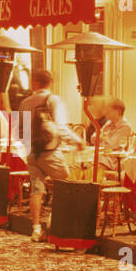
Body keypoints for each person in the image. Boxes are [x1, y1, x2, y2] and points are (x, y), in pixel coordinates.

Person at [20, 67, 85, 242]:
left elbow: (20, 129)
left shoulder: (25, 102)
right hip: (49, 151)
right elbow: (60, 126)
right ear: (49, 83)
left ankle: (36, 229)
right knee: (66, 182)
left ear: (34, 83)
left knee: (37, 189)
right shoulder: (53, 100)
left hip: (31, 151)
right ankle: (53, 222)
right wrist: (76, 140)